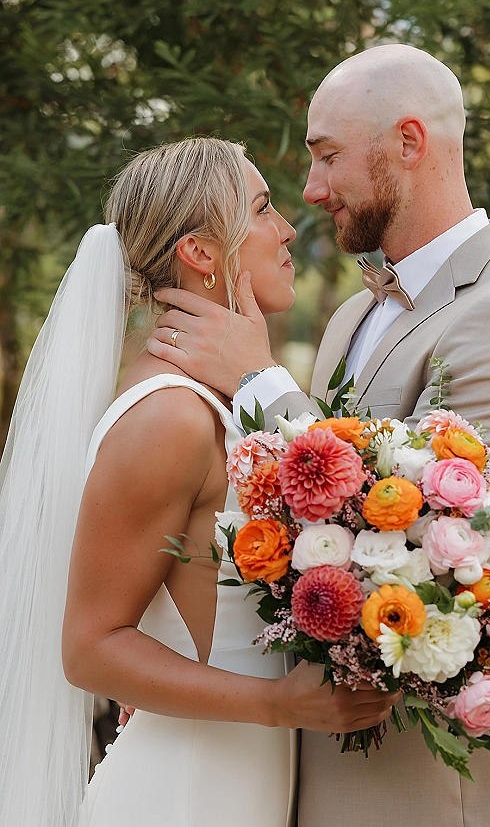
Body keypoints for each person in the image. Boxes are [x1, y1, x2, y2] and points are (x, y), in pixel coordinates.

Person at [147, 47, 490, 826]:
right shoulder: (354, 313)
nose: (312, 190)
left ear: (409, 143)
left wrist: (260, 382)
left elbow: (431, 545)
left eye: (327, 157)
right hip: (320, 760)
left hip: (441, 787)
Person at [0, 137, 398, 827]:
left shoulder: (224, 401)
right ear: (203, 255)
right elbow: (91, 647)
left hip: (244, 783)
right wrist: (277, 705)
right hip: (182, 794)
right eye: (263, 209)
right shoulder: (169, 417)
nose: (284, 231)